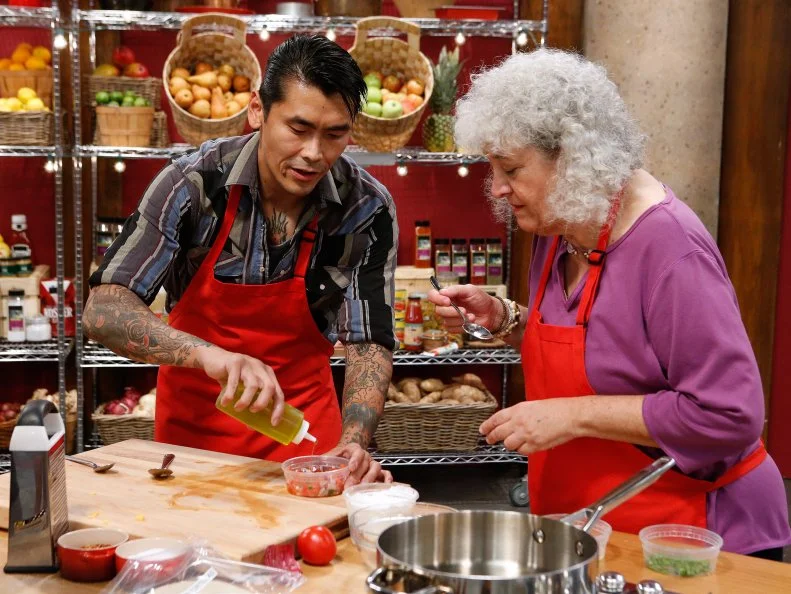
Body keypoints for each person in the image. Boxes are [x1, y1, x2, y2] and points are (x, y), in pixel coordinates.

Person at [429, 49, 791, 558]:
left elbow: (729, 415)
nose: (497, 188)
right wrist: (506, 317)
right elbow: (606, 348)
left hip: (695, 537)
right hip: (591, 526)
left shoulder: (671, 248)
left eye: (510, 168)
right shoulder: (560, 225)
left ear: (571, 157)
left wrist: (572, 416)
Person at [84, 35, 398, 485]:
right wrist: (210, 356)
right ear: (257, 111)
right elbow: (103, 309)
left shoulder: (365, 207)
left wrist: (354, 441)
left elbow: (368, 341)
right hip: (191, 446)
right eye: (298, 128)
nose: (314, 153)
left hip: (307, 442)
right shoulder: (191, 184)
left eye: (334, 135)